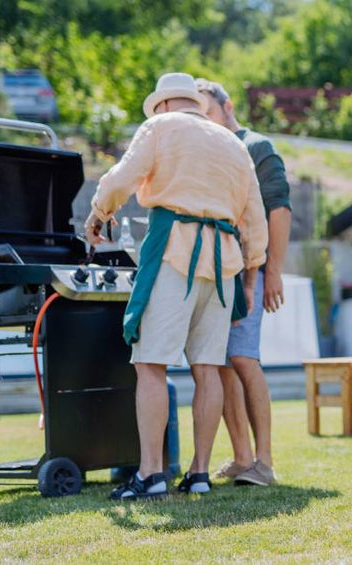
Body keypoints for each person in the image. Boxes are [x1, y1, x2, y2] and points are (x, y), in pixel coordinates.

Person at [87, 72, 267, 499]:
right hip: (224, 266)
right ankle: (199, 473)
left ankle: (150, 474)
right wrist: (251, 275)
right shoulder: (234, 144)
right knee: (208, 370)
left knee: (151, 363)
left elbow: (120, 179)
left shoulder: (161, 127)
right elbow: (254, 221)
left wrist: (98, 213)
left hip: (174, 253)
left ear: (164, 104)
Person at [194, 78, 293, 487]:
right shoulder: (208, 154)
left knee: (244, 358)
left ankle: (264, 462)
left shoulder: (257, 147)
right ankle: (241, 458)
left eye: (207, 111)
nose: (203, 122)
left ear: (227, 105)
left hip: (250, 272)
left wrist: (272, 271)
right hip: (217, 273)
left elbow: (279, 212)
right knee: (221, 365)